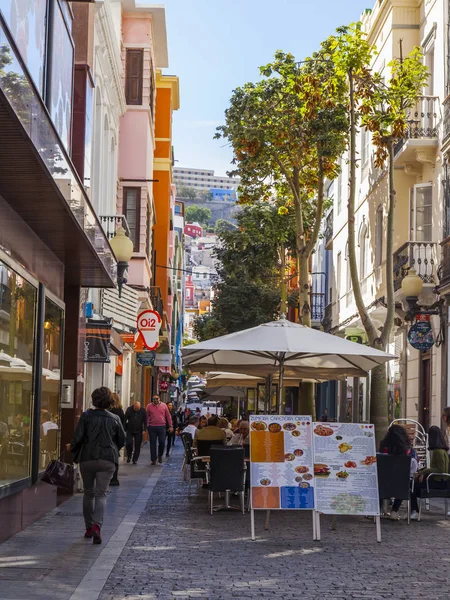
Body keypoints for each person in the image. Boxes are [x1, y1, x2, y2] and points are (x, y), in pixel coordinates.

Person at [69, 387, 125, 544]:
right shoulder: (115, 418)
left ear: (93, 400)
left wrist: (72, 449)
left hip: (87, 458)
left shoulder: (86, 416)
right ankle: (97, 526)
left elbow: (78, 437)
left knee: (88, 493)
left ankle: (88, 528)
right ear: (110, 402)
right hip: (107, 459)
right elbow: (122, 440)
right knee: (101, 494)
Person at [410, 425, 450, 521]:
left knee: (411, 485)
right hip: (439, 481)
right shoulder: (441, 451)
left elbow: (441, 470)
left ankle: (414, 511)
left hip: (439, 482)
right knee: (414, 483)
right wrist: (422, 471)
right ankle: (414, 510)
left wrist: (424, 472)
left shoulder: (438, 452)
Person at [379, 424, 418, 520]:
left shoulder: (382, 449)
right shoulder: (409, 452)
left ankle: (378, 509)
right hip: (401, 487)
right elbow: (413, 470)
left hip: (383, 485)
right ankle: (395, 510)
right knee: (406, 482)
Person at [146, 395, 173, 465]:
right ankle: (153, 459)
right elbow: (147, 416)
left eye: (157, 399)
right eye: (154, 399)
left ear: (159, 399)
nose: (155, 400)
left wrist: (170, 425)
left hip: (161, 426)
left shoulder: (164, 406)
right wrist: (147, 425)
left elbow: (168, 416)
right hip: (152, 427)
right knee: (152, 444)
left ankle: (160, 455)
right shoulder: (149, 406)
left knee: (162, 442)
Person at [109, 393, 125, 486]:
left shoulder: (108, 411)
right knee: (115, 459)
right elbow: (122, 426)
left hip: (109, 437)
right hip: (116, 438)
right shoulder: (120, 411)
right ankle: (114, 478)